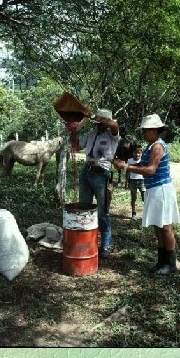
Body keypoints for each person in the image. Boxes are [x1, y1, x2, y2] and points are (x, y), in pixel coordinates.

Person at [116, 114, 180, 275]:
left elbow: (150, 170)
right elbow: (142, 164)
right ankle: (161, 261)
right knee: (157, 226)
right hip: (154, 190)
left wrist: (126, 167)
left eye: (145, 131)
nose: (143, 134)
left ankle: (171, 264)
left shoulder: (158, 147)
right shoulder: (151, 146)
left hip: (161, 190)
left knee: (165, 227)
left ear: (153, 130)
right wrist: (125, 164)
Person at [71, 108, 120, 258]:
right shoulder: (91, 134)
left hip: (102, 174)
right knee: (84, 207)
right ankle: (86, 240)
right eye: (97, 122)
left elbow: (113, 124)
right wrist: (73, 131)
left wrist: (93, 115)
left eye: (100, 121)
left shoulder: (113, 135)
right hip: (86, 171)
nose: (98, 124)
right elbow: (77, 146)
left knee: (102, 211)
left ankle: (106, 244)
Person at [127, 145, 146, 221]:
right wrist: (126, 181)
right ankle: (133, 213)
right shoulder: (129, 160)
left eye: (139, 153)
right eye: (135, 152)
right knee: (133, 198)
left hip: (142, 180)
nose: (137, 154)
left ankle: (146, 214)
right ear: (132, 153)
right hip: (132, 181)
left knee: (144, 198)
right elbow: (127, 172)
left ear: (141, 153)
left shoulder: (143, 160)